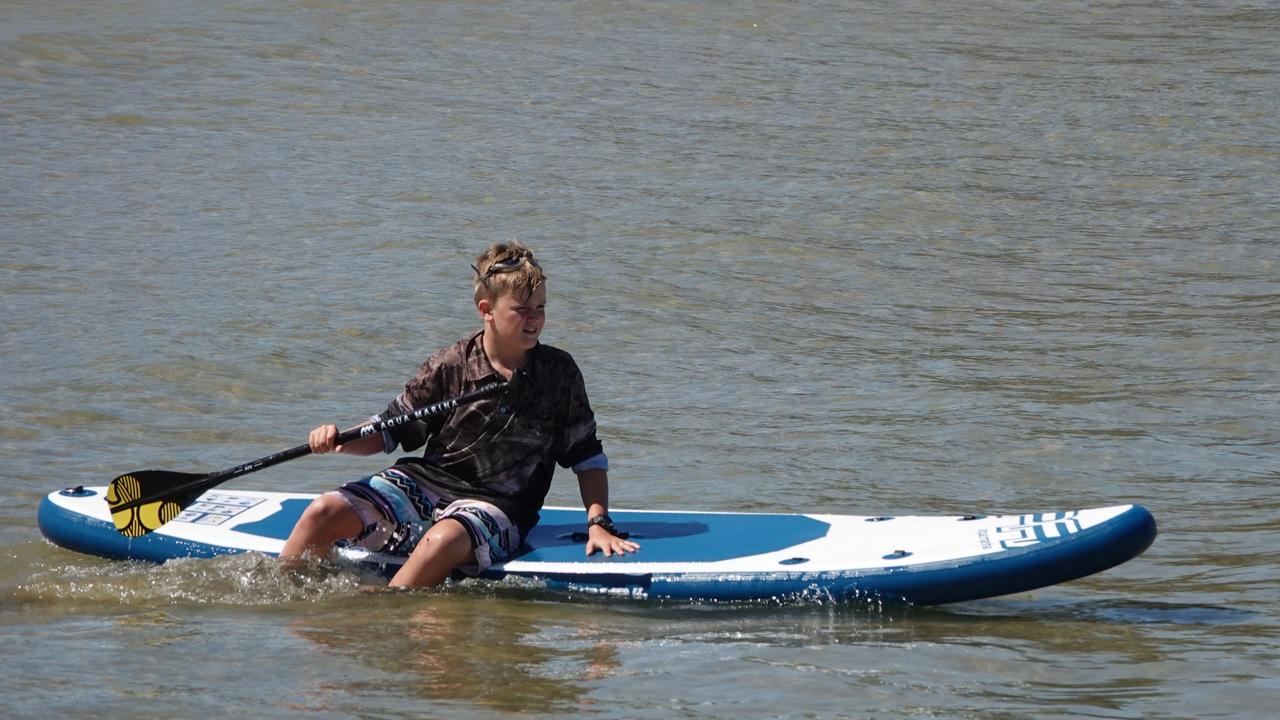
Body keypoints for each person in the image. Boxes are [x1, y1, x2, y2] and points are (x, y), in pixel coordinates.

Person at [280, 241, 639, 588]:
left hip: (499, 507)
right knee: (323, 510)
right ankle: (285, 595)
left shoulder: (559, 373)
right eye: (522, 309)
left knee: (442, 539)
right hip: (424, 484)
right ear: (486, 310)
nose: (534, 320)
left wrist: (598, 523)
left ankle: (381, 612)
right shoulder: (450, 364)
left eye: (541, 308)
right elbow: (390, 429)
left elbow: (587, 455)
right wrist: (340, 439)